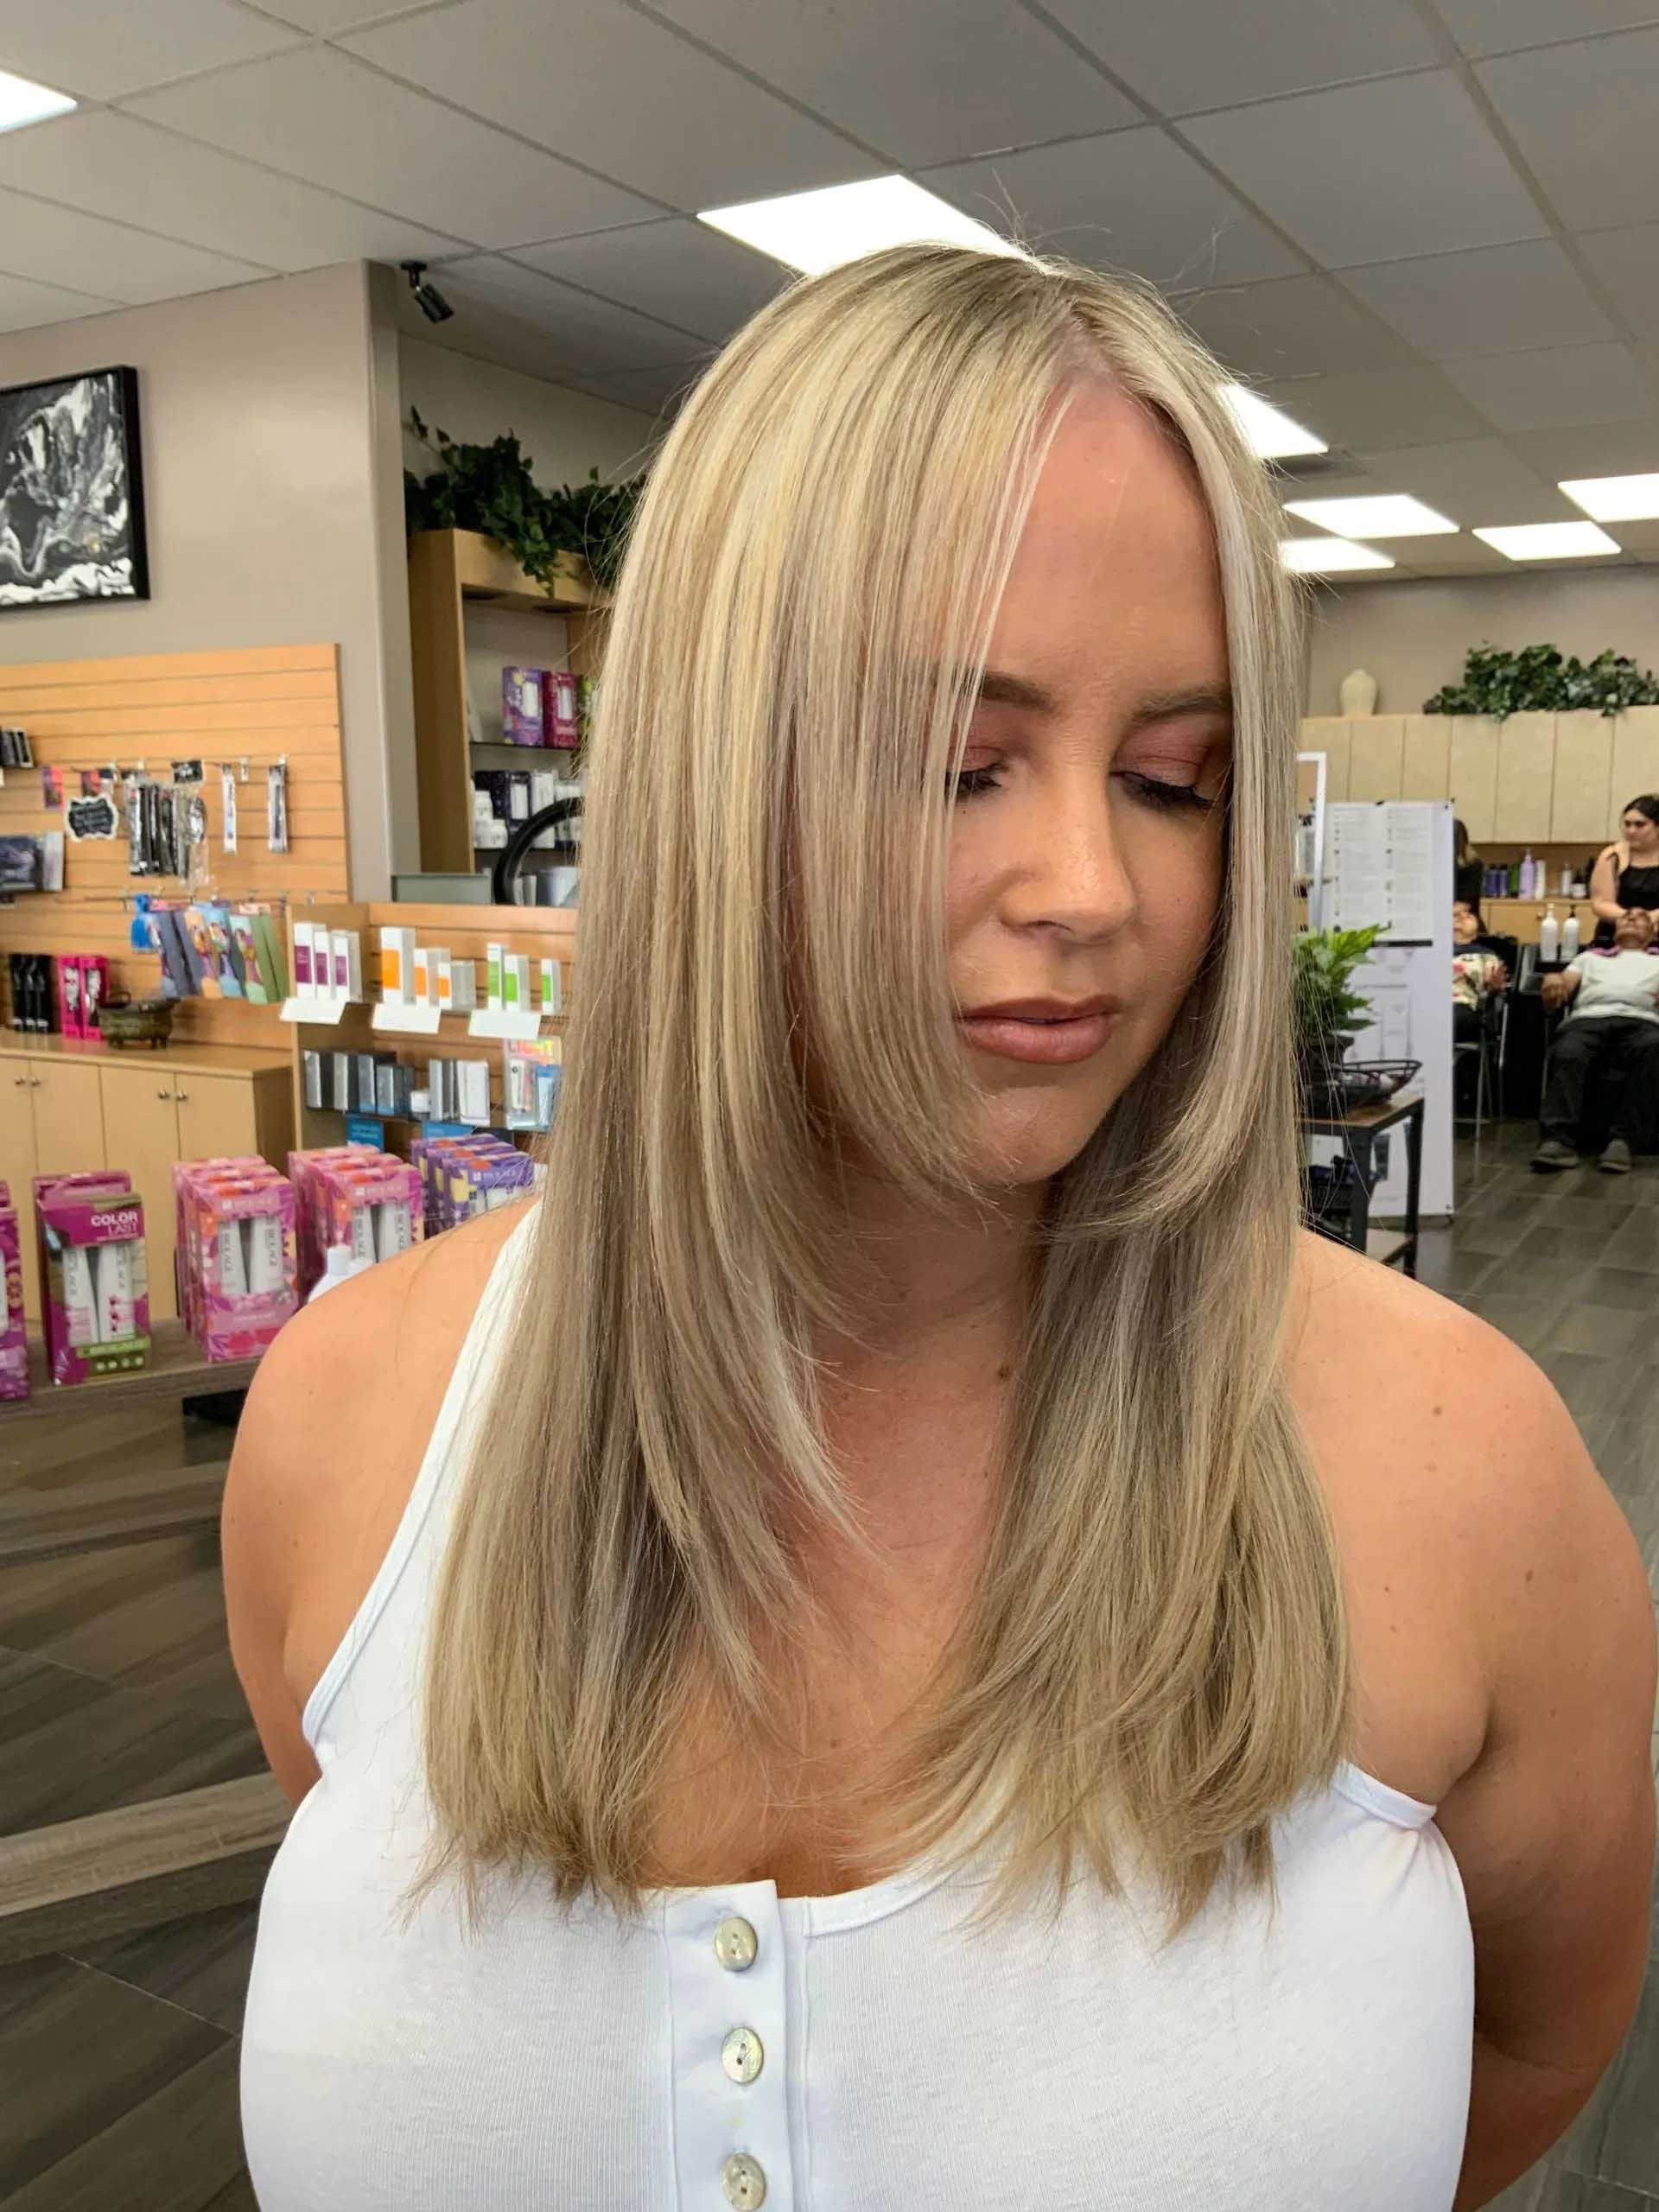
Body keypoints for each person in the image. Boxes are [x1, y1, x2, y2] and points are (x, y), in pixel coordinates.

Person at [224, 248, 1655, 2212]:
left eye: (1173, 777)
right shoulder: (346, 1426)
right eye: (954, 760)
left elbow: (1536, 2032)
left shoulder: (1455, 1467)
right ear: (715, 773)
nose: (1093, 882)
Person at [1532, 906, 1659, 1173]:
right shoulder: (1590, 957)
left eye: (1641, 917)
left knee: (1653, 1047)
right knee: (1569, 1049)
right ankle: (1557, 1140)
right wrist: (1554, 978)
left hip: (1644, 1021)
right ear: (1614, 930)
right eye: (1626, 916)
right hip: (1589, 1018)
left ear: (1652, 933)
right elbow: (1565, 982)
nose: (1632, 918)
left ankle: (1624, 1140)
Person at [1589, 792, 1659, 944]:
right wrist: (1633, 919)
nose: (1631, 831)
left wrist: (1654, 917)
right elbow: (1600, 903)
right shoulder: (1612, 856)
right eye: (1627, 824)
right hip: (1616, 940)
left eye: (1640, 825)